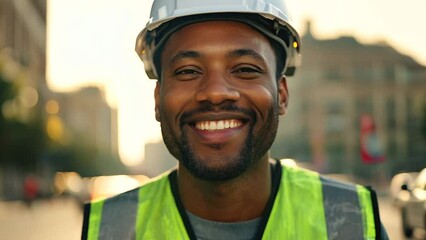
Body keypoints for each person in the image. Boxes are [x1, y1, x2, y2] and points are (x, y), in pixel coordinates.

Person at [82, 0, 389, 239]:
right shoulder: (112, 229)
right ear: (158, 99)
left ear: (282, 94)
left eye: (245, 69)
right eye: (188, 71)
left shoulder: (352, 222)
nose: (215, 93)